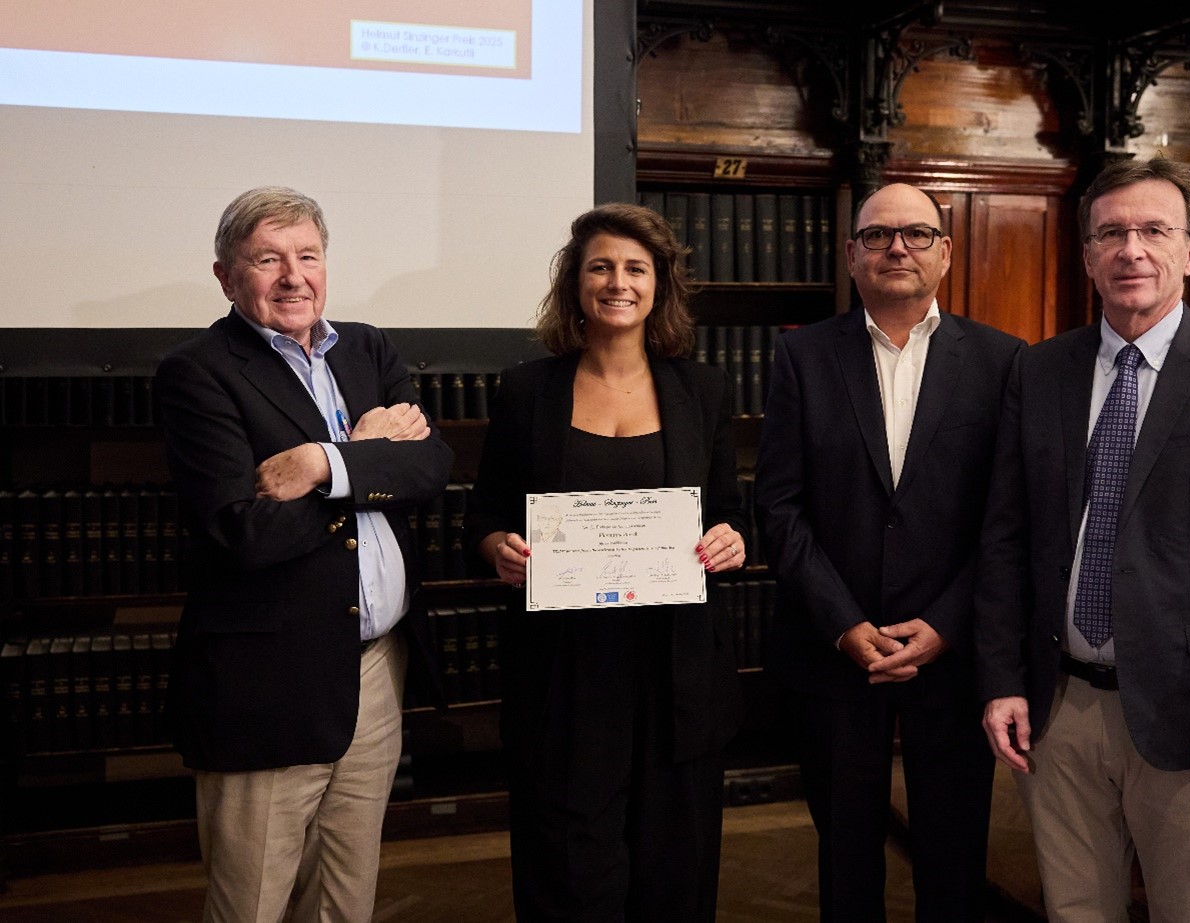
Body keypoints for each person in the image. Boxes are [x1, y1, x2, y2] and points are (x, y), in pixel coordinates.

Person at [975, 157, 1190, 922]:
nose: (1132, 249)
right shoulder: (1040, 370)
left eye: (1155, 230)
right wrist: (1001, 678)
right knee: (1076, 911)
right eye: (1111, 233)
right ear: (1088, 255)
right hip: (1057, 711)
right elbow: (1006, 539)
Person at [155, 186, 453, 922]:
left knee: (345, 898)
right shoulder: (198, 372)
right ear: (226, 276)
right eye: (268, 259)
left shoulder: (367, 347)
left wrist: (324, 462)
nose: (294, 277)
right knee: (253, 903)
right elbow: (244, 531)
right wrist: (368, 455)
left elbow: (429, 468)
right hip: (268, 681)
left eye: (308, 256)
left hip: (378, 668)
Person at [466, 202, 749, 922]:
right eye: (600, 267)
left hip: (676, 672)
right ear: (575, 283)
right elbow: (485, 515)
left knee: (674, 871)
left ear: (659, 285)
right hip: (564, 673)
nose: (617, 282)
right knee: (570, 873)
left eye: (635, 268)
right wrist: (499, 548)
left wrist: (732, 540)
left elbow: (728, 510)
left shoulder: (703, 390)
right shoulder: (527, 390)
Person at [755, 183, 1024, 922]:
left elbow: (1007, 519)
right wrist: (843, 624)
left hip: (953, 655)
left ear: (946, 252)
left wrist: (946, 624)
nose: (896, 247)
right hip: (835, 652)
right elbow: (778, 506)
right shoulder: (801, 356)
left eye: (916, 234)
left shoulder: (1003, 360)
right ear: (852, 255)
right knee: (845, 858)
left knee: (954, 859)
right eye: (877, 235)